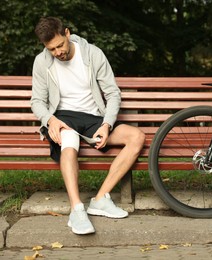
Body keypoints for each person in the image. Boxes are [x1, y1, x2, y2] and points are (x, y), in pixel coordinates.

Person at [31, 17, 145, 235]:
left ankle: (101, 199)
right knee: (70, 139)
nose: (57, 53)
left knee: (136, 137)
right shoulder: (42, 62)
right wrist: (50, 120)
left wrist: (106, 124)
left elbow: (112, 94)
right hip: (62, 118)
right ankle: (77, 209)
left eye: (59, 46)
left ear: (67, 33)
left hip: (94, 118)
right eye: (51, 49)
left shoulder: (93, 54)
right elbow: (37, 101)